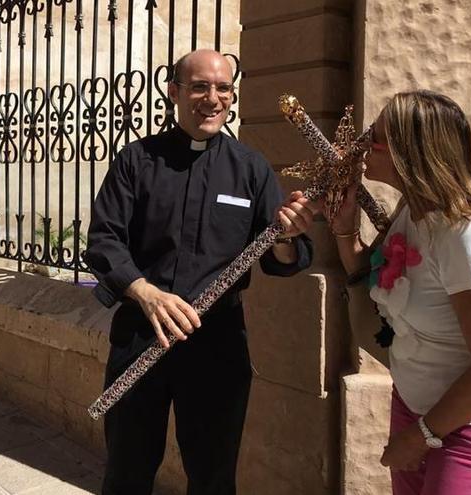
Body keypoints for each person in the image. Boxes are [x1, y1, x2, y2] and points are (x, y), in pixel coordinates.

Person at [85, 49, 317, 495]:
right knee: (126, 471)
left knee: (213, 476)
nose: (212, 98)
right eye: (199, 87)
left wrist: (287, 235)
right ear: (174, 92)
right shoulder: (137, 160)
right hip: (141, 335)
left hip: (217, 343)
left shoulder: (251, 169)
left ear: (232, 96)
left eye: (223, 88)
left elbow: (282, 257)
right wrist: (146, 293)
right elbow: (103, 240)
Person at [328, 90, 471, 494]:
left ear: (411, 151)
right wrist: (344, 228)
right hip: (417, 406)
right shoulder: (414, 209)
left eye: (376, 136)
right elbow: (368, 279)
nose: (362, 143)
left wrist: (420, 435)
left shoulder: (470, 236)